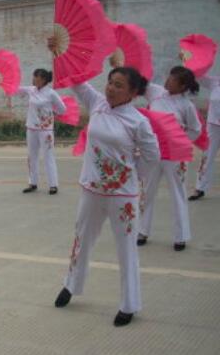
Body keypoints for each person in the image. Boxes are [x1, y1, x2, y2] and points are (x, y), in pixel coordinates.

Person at [50, 33, 160, 327]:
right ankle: (71, 284)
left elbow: (152, 157)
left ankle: (129, 304)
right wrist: (59, 52)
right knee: (81, 240)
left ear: (133, 93)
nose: (111, 89)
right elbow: (75, 79)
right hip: (91, 189)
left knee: (125, 249)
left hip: (122, 195)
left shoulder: (138, 121)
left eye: (119, 86)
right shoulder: (97, 102)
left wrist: (130, 174)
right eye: (110, 82)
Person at [138, 67, 201, 251]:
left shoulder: (186, 105)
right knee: (147, 191)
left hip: (175, 154)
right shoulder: (156, 92)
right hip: (153, 150)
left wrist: (181, 140)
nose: (168, 81)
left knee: (178, 193)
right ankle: (142, 231)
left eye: (173, 80)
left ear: (182, 87)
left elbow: (195, 129)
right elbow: (140, 82)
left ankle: (180, 236)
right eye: (169, 77)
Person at [0, 69, 66, 194]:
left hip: (46, 130)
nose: (33, 79)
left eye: (36, 77)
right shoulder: (30, 90)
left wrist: (53, 113)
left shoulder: (51, 93)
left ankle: (53, 185)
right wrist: (1, 82)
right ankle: (33, 183)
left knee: (48, 156)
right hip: (31, 128)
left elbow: (62, 109)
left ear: (43, 79)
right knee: (32, 156)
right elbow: (15, 89)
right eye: (33, 76)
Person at [189, 74, 220, 200]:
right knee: (207, 157)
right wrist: (188, 59)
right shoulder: (215, 82)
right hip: (213, 126)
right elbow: (197, 75)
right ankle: (200, 188)